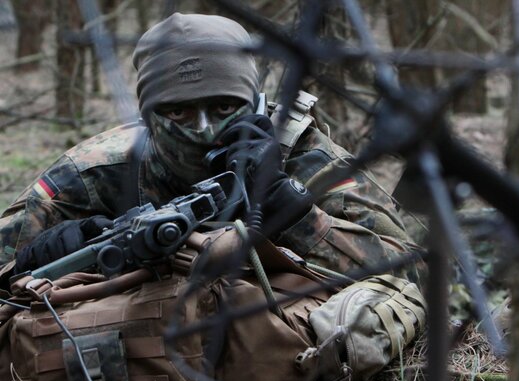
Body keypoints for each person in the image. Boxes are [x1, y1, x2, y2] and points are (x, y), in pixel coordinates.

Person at [0, 13, 417, 288]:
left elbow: (416, 274)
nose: (203, 130)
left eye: (222, 107)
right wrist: (73, 247)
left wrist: (294, 211)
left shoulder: (303, 156)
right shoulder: (98, 169)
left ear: (253, 105)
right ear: (148, 116)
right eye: (178, 112)